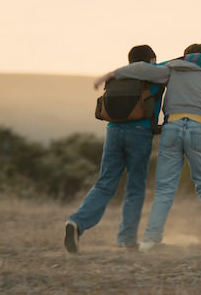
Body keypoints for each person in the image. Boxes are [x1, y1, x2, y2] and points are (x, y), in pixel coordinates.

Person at [92, 43, 201, 251]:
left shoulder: (172, 70)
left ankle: (150, 239)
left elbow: (141, 69)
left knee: (164, 189)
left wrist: (110, 74)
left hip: (171, 128)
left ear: (185, 57)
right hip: (197, 128)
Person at [64, 45, 163, 254]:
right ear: (151, 60)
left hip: (113, 132)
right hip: (140, 132)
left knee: (104, 183)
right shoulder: (154, 75)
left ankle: (76, 222)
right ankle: (127, 239)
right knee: (135, 187)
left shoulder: (116, 78)